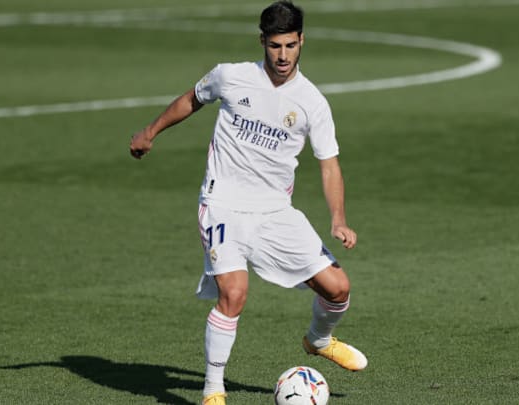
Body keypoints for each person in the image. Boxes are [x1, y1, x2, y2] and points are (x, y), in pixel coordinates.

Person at [129, 1, 367, 404]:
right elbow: (192, 98)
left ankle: (319, 340)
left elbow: (328, 164)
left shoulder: (312, 102)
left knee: (338, 288)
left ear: (302, 41)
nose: (283, 56)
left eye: (291, 46)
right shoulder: (231, 76)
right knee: (234, 293)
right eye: (275, 46)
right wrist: (150, 131)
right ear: (262, 41)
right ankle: (213, 391)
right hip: (222, 203)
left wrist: (339, 218)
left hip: (275, 212)